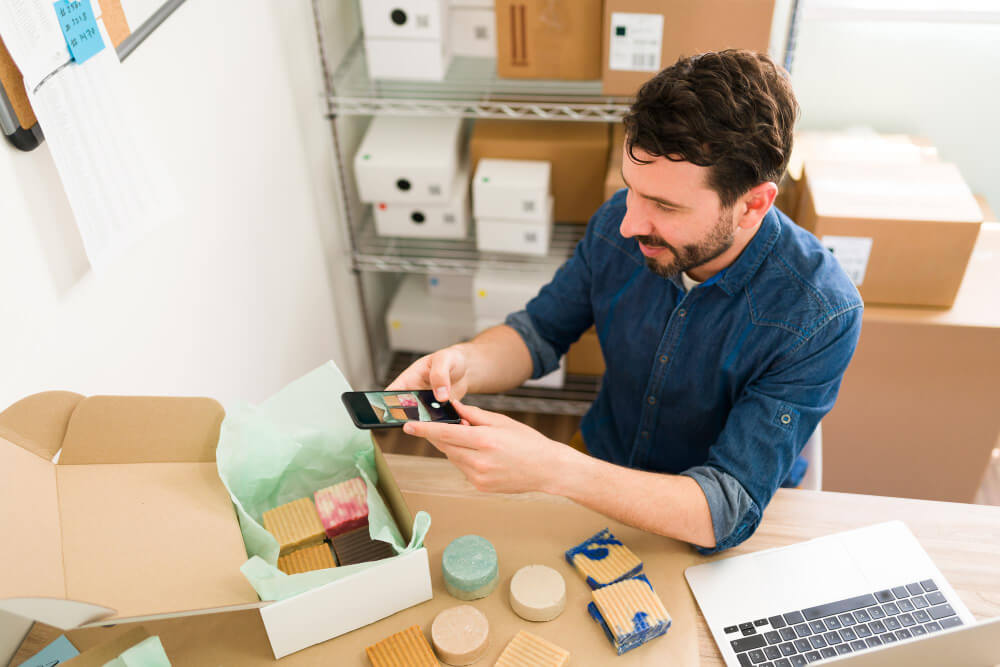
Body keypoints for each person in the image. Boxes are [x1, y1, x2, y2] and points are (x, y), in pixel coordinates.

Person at [387, 50, 862, 553]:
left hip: (694, 526)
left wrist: (552, 468)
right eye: (633, 189)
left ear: (752, 205)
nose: (630, 223)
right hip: (599, 462)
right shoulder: (621, 224)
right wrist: (467, 362)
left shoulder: (818, 313)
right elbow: (539, 332)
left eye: (663, 205)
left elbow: (726, 505)